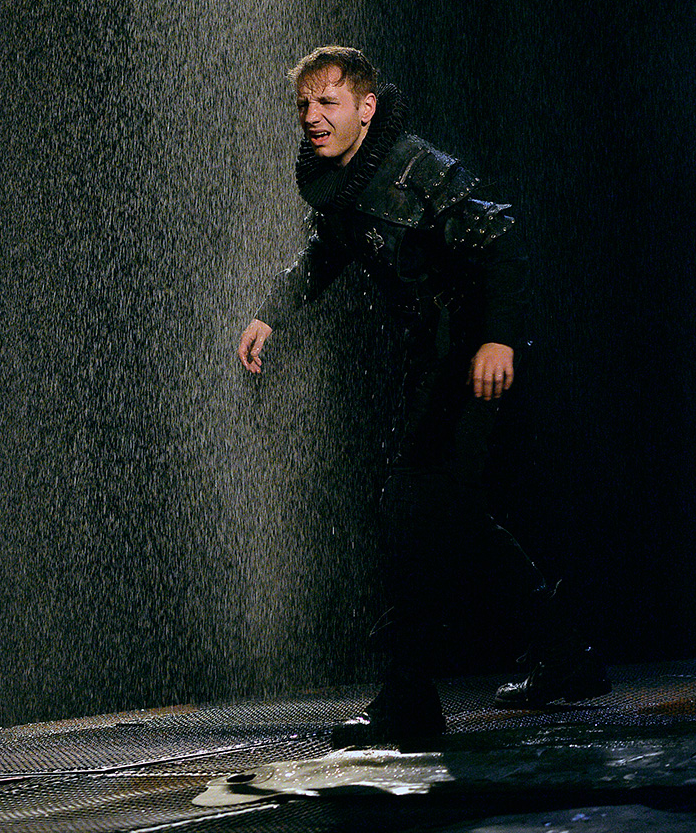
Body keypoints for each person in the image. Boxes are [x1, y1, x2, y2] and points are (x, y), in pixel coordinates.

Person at [238, 46, 609, 741]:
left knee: (410, 509)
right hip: (434, 359)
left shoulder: (417, 167)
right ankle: (565, 656)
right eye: (304, 105)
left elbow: (499, 240)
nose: (312, 116)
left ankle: (409, 695)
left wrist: (496, 339)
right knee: (457, 517)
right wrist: (270, 314)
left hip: (469, 355)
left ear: (366, 108)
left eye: (328, 102)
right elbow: (324, 253)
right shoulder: (342, 183)